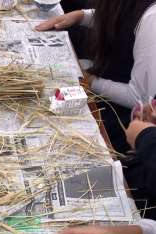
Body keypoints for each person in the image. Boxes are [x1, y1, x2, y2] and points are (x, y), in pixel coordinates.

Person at [36, 1, 156, 154]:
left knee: (56, 128)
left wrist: (89, 80)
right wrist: (81, 16)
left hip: (125, 116)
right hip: (105, 79)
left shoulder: (152, 19)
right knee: (46, 98)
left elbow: (138, 97)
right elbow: (118, 17)